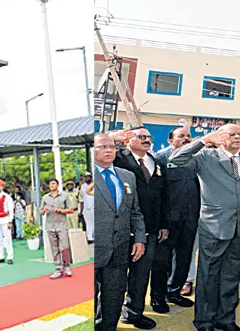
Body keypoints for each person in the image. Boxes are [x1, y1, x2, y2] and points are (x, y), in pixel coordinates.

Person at [170, 124, 240, 331]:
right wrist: (203, 140)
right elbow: (176, 160)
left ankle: (226, 319)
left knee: (231, 276)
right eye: (232, 134)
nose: (237, 137)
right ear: (220, 137)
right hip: (214, 227)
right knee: (208, 276)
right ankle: (204, 320)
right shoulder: (206, 157)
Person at [109, 126, 169, 330]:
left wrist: (163, 224)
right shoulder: (117, 158)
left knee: (141, 275)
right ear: (128, 139)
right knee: (115, 278)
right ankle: (108, 319)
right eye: (141, 136)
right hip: (121, 229)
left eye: (148, 137)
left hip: (149, 229)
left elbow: (163, 197)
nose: (146, 140)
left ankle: (133, 313)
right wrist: (110, 138)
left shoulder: (156, 162)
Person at [93, 133, 146, 331]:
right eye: (102, 147)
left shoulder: (127, 177)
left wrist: (140, 238)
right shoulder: (88, 176)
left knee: (114, 297)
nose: (108, 150)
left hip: (120, 249)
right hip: (95, 249)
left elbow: (135, 211)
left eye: (112, 146)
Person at [150, 127, 200, 312]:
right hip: (168, 221)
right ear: (171, 141)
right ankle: (157, 297)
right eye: (181, 136)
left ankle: (174, 292)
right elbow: (157, 192)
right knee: (162, 261)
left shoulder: (196, 159)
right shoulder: (161, 159)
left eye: (188, 136)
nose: (186, 139)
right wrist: (162, 222)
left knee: (184, 259)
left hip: (190, 219)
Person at [40, 178, 75, 278]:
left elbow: (71, 210)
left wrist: (59, 210)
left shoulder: (64, 196)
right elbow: (41, 211)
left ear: (58, 185)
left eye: (53, 183)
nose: (51, 185)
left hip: (62, 225)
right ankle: (58, 268)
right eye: (50, 184)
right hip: (50, 225)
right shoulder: (45, 197)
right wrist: (44, 210)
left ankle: (67, 266)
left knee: (65, 246)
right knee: (54, 248)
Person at [80, 172, 95, 242]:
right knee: (88, 223)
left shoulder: (95, 186)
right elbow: (83, 197)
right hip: (86, 208)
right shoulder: (83, 186)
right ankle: (89, 238)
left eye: (88, 177)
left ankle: (94, 236)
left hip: (94, 207)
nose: (87, 178)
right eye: (85, 177)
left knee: (94, 223)